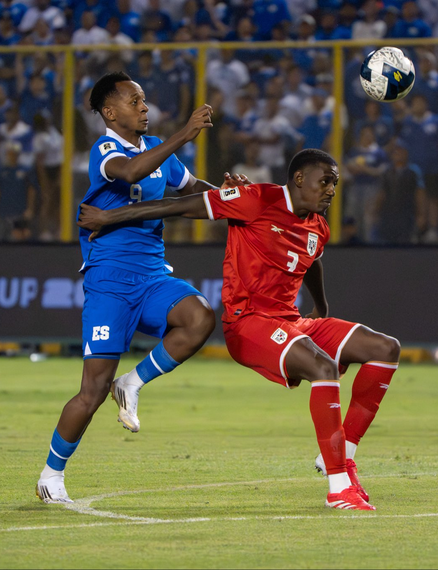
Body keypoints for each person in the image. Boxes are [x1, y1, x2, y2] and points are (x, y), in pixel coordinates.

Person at [78, 149, 402, 511]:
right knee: (322, 367)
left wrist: (322, 308)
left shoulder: (318, 225)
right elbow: (176, 206)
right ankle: (339, 486)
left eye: (335, 185)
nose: (331, 191)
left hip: (290, 320)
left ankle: (344, 455)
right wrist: (110, 217)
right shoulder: (256, 199)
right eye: (325, 181)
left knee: (386, 348)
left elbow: (312, 260)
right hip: (248, 322)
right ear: (298, 179)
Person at [35, 71, 239, 504]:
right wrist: (185, 134)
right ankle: (51, 475)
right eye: (135, 101)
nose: (144, 107)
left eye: (144, 100)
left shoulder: (159, 151)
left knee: (199, 316)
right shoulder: (106, 150)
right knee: (91, 391)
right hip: (109, 284)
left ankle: (133, 382)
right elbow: (129, 171)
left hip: (152, 277)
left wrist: (230, 198)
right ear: (110, 112)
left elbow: (190, 189)